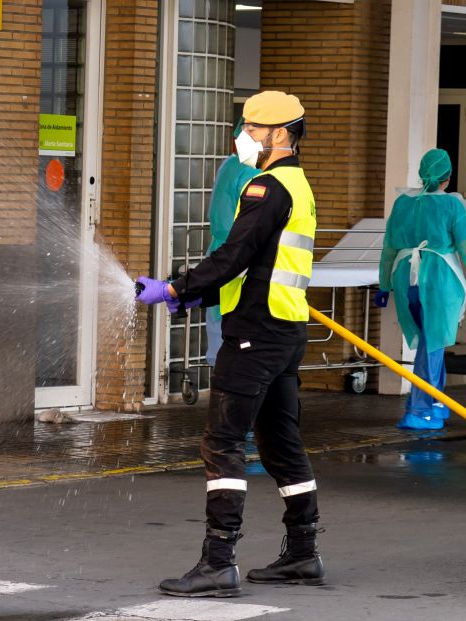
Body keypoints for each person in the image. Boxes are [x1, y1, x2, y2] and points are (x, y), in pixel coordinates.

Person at [136, 90, 323, 597]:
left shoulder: (266, 188)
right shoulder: (298, 184)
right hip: (284, 331)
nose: (244, 136)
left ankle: (218, 562)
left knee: (221, 442)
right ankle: (303, 554)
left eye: (252, 128)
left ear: (279, 133)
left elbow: (237, 251)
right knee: (281, 443)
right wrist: (197, 297)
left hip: (255, 337)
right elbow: (261, 265)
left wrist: (177, 288)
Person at [374, 148, 466, 431]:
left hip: (405, 276)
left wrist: (384, 285)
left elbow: (388, 250)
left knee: (432, 341)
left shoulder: (402, 203)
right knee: (432, 344)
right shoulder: (453, 206)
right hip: (440, 278)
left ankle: (436, 402)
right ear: (448, 178)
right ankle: (419, 410)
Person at [205, 119, 260, 366]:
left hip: (220, 254)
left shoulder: (228, 166)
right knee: (237, 342)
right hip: (240, 259)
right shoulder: (252, 173)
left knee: (219, 332)